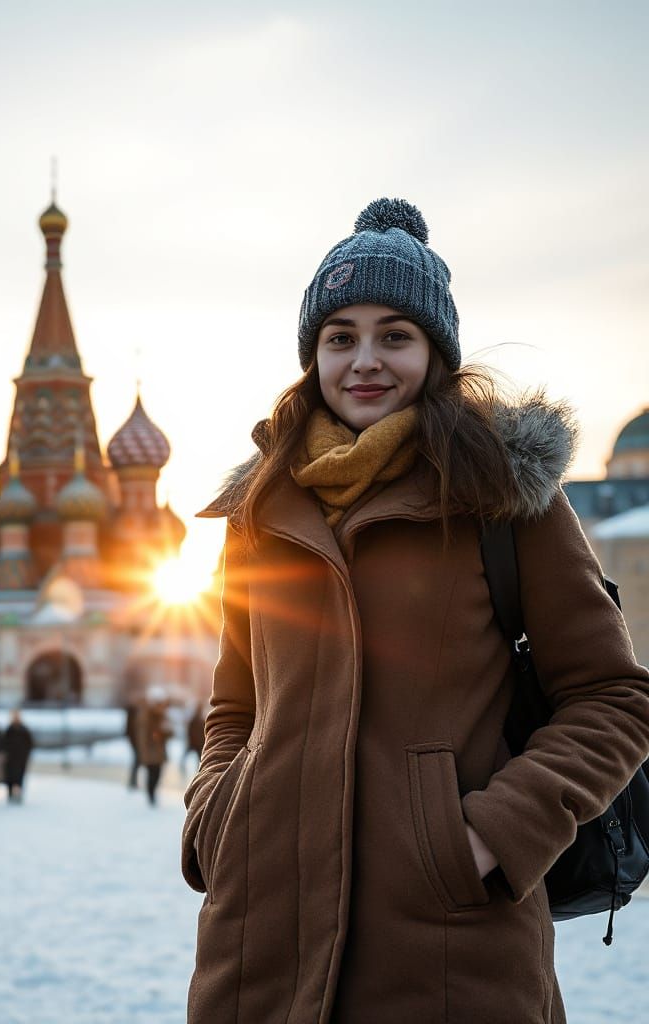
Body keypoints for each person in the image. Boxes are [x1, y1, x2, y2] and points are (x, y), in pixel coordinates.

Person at [181, 198, 649, 1024]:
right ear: (313, 354)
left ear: (436, 353)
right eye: (341, 337)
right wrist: (218, 818)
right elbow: (236, 705)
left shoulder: (505, 499)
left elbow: (613, 700)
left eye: (395, 335)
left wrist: (493, 836)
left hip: (448, 949)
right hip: (260, 946)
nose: (366, 360)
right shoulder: (262, 513)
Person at [137, 687, 172, 806]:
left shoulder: (162, 716)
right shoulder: (147, 716)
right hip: (150, 751)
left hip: (159, 751)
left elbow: (169, 733)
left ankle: (152, 794)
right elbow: (144, 735)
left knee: (157, 774)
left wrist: (165, 732)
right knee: (152, 774)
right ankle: (151, 795)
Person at [2, 709, 34, 804]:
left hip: (21, 759)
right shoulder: (9, 729)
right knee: (10, 778)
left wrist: (26, 754)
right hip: (10, 759)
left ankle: (19, 795)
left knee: (19, 777)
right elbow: (3, 743)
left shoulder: (24, 730)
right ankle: (10, 795)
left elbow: (29, 744)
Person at [184, 702, 206, 773]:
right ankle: (199, 771)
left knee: (198, 759)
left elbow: (189, 731)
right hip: (197, 743)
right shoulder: (199, 720)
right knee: (199, 759)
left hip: (196, 743)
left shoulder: (196, 720)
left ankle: (199, 771)